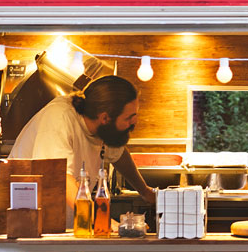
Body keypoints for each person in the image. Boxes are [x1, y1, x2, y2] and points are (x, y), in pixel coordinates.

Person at [10, 75, 155, 222]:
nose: (134, 121)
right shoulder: (59, 119)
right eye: (129, 117)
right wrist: (101, 221)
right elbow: (60, 179)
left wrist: (145, 192)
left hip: (64, 225)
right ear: (105, 118)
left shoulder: (101, 128)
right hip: (28, 225)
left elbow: (119, 155)